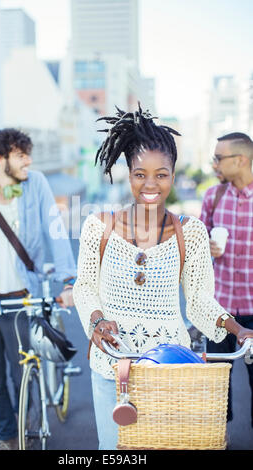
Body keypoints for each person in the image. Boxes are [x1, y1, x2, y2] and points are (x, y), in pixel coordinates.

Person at [73, 105, 253, 450]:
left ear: (173, 174)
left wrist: (236, 327)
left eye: (162, 174)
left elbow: (200, 299)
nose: (151, 184)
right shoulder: (99, 226)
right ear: (128, 173)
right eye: (141, 174)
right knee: (113, 451)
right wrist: (96, 321)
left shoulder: (193, 233)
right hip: (111, 364)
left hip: (170, 367)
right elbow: (84, 288)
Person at [0, 128, 76, 450]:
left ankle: (29, 435)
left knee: (22, 376)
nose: (28, 161)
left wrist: (69, 280)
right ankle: (8, 437)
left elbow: (55, 232)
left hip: (24, 298)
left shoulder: (37, 184)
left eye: (28, 154)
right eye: (21, 155)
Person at [200, 132, 253, 428]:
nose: (214, 163)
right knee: (216, 385)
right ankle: (218, 439)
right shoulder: (213, 196)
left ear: (240, 160)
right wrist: (205, 246)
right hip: (218, 312)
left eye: (219, 158)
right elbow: (194, 245)